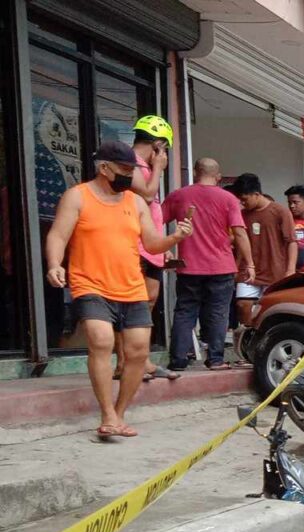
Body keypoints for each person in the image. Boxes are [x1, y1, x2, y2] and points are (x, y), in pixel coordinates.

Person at [43, 141, 193, 438]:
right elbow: (58, 234)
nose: (130, 175)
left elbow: (151, 244)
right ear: (104, 167)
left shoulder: (135, 203)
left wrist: (175, 237)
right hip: (90, 283)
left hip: (131, 287)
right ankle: (107, 414)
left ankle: (120, 413)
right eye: (125, 169)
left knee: (137, 351)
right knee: (100, 341)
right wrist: (54, 264)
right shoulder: (77, 197)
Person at [163, 158, 252, 371]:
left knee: (185, 311)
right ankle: (215, 359)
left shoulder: (179, 195)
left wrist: (163, 247)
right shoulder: (228, 198)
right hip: (221, 266)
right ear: (218, 176)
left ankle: (178, 360)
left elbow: (155, 220)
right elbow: (239, 233)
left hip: (189, 266)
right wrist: (250, 263)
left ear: (195, 172)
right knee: (218, 313)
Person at [120, 115, 180, 382]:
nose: (165, 155)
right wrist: (158, 169)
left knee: (148, 302)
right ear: (158, 145)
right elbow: (145, 194)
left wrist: (161, 243)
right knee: (135, 305)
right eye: (164, 148)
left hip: (149, 246)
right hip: (133, 245)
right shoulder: (130, 162)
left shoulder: (145, 164)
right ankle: (128, 363)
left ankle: (142, 361)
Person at [229, 173, 295, 329]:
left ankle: (265, 335)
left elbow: (291, 242)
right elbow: (238, 241)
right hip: (248, 270)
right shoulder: (242, 215)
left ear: (257, 194)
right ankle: (249, 334)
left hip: (275, 271)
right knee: (242, 305)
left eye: (245, 199)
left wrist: (290, 270)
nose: (243, 203)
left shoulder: (280, 212)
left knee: (272, 308)